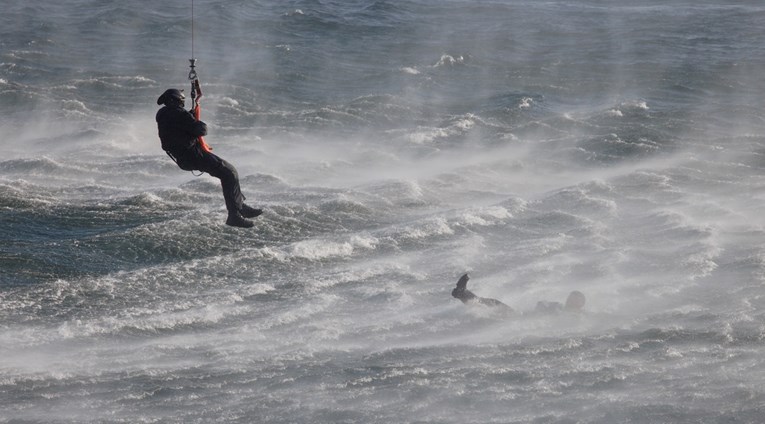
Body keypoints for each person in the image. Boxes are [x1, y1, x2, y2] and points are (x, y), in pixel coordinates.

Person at [156, 88, 262, 228]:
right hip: (193, 155)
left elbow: (180, 126)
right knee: (229, 173)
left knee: (228, 172)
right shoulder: (178, 114)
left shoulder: (163, 114)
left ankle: (239, 205)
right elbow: (201, 130)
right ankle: (234, 215)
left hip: (183, 158)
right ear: (176, 100)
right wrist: (196, 121)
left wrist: (190, 116)